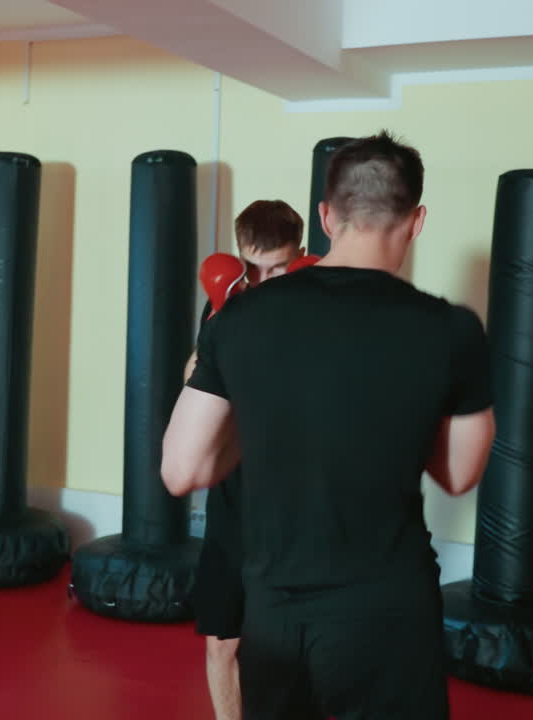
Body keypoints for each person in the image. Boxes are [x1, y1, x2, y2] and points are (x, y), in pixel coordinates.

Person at [162, 131, 495, 720]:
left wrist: (266, 408)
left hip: (275, 612)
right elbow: (459, 473)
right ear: (417, 221)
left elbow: (182, 470)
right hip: (388, 611)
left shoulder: (237, 321)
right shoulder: (452, 329)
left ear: (325, 216)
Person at [188, 199, 305, 720]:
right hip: (235, 495)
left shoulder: (325, 308)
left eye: (276, 267)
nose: (261, 280)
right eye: (250, 268)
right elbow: (195, 393)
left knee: (295, 647)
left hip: (300, 501)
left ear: (300, 255)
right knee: (222, 641)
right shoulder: (225, 303)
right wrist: (217, 319)